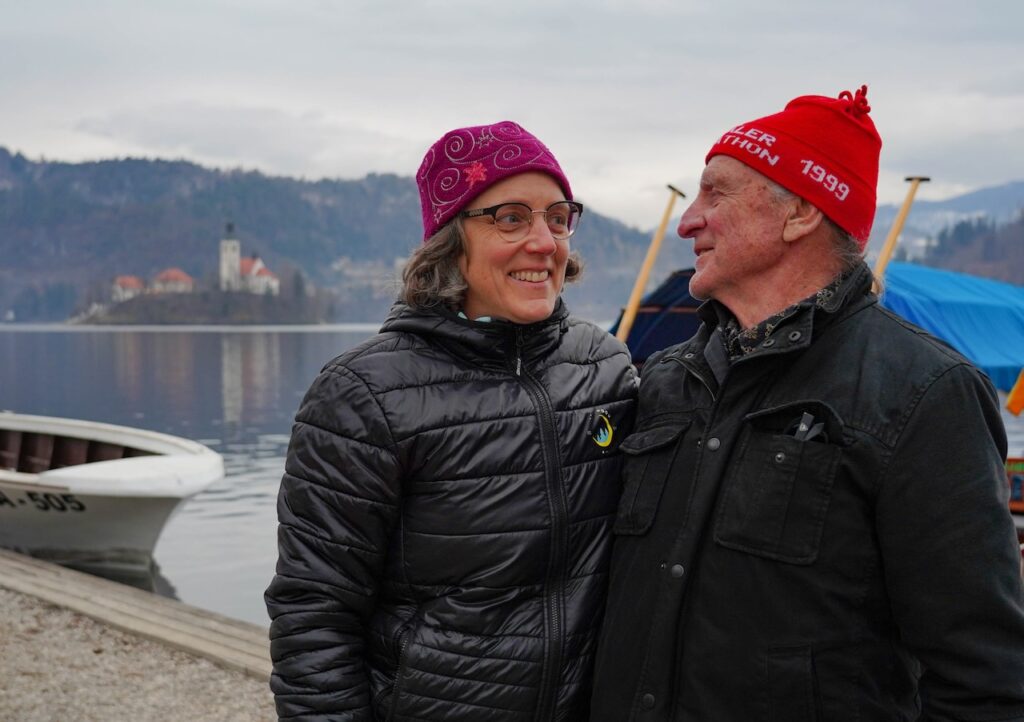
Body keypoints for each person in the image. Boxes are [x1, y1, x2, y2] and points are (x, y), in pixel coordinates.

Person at [591, 86, 1024, 721]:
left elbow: (983, 679)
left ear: (799, 213)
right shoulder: (664, 380)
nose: (688, 220)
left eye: (717, 193)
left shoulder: (924, 393)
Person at [265, 120, 636, 721]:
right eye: (510, 217)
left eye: (558, 216)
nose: (544, 241)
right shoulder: (365, 394)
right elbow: (315, 614)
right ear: (450, 239)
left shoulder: (605, 367)